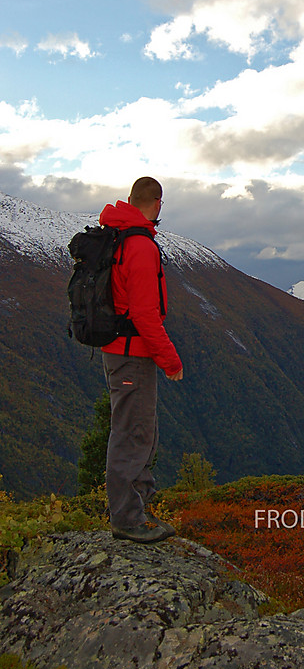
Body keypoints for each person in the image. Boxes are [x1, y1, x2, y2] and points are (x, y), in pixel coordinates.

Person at [100, 177, 183, 543]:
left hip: (122, 351)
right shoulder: (140, 245)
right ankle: (127, 519)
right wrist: (171, 360)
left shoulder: (122, 236)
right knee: (132, 434)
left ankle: (139, 508)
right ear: (157, 203)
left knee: (141, 430)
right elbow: (146, 314)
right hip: (133, 354)